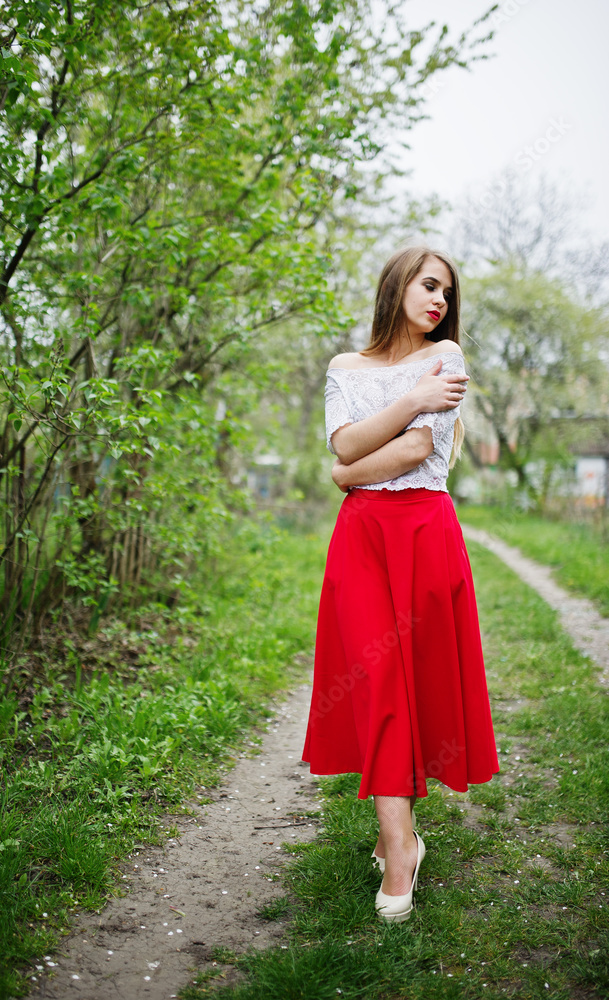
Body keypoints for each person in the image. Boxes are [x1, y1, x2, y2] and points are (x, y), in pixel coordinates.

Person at [301, 245, 499, 923]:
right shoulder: (343, 367)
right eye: (428, 285)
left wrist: (348, 466)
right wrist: (403, 408)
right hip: (361, 539)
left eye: (447, 291)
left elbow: (412, 451)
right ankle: (399, 841)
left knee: (409, 681)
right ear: (396, 286)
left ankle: (398, 842)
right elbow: (342, 446)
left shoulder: (446, 361)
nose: (439, 300)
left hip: (421, 530)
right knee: (375, 678)